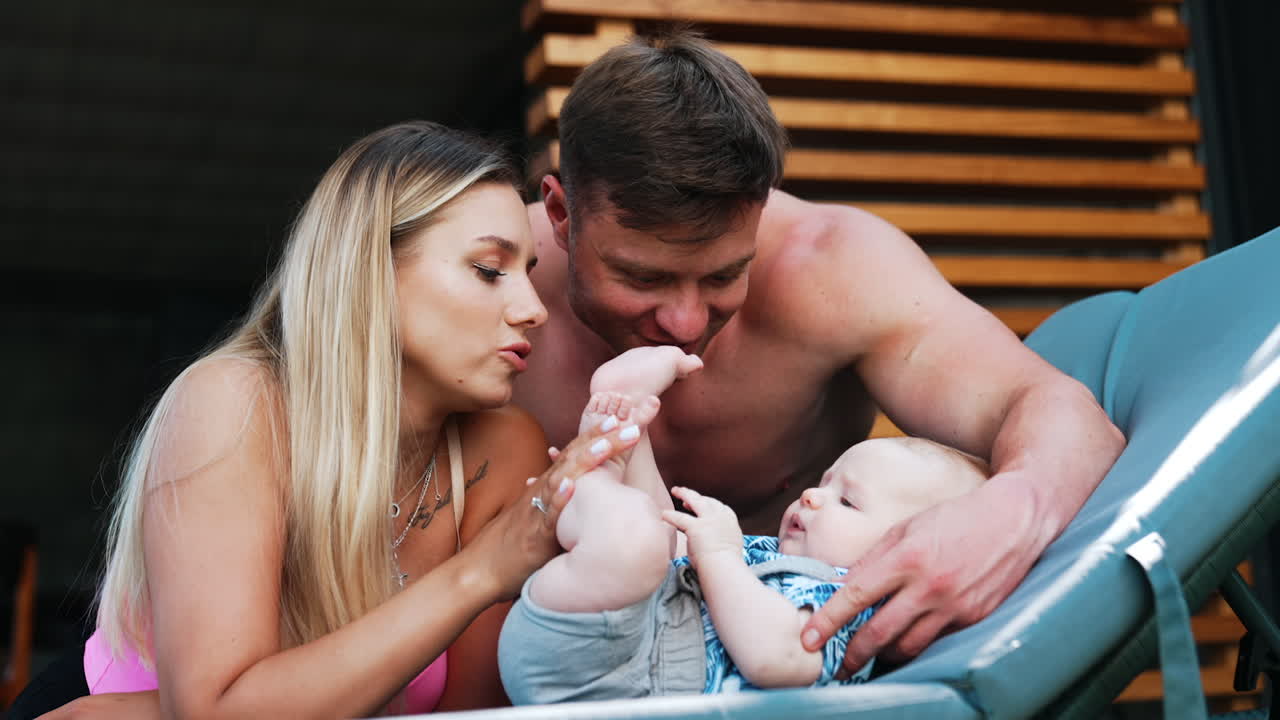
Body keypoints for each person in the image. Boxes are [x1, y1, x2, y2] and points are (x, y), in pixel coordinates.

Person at [512, 28, 1127, 674]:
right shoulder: (491, 284)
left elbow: (1066, 415)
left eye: (724, 276)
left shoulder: (833, 269)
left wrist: (1008, 517)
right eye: (643, 277)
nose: (686, 321)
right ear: (560, 214)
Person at [9, 121, 650, 720]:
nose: (532, 308)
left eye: (529, 273)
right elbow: (217, 711)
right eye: (489, 270)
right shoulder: (236, 404)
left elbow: (467, 717)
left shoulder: (503, 448)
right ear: (370, 267)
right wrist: (483, 569)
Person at [498, 346, 991, 701]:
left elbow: (777, 659)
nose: (813, 496)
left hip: (619, 676)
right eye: (825, 480)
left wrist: (717, 556)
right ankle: (624, 426)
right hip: (610, 644)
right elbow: (673, 561)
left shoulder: (848, 607)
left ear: (901, 552)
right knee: (654, 536)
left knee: (639, 537)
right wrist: (713, 555)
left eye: (848, 502)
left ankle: (593, 474)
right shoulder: (766, 559)